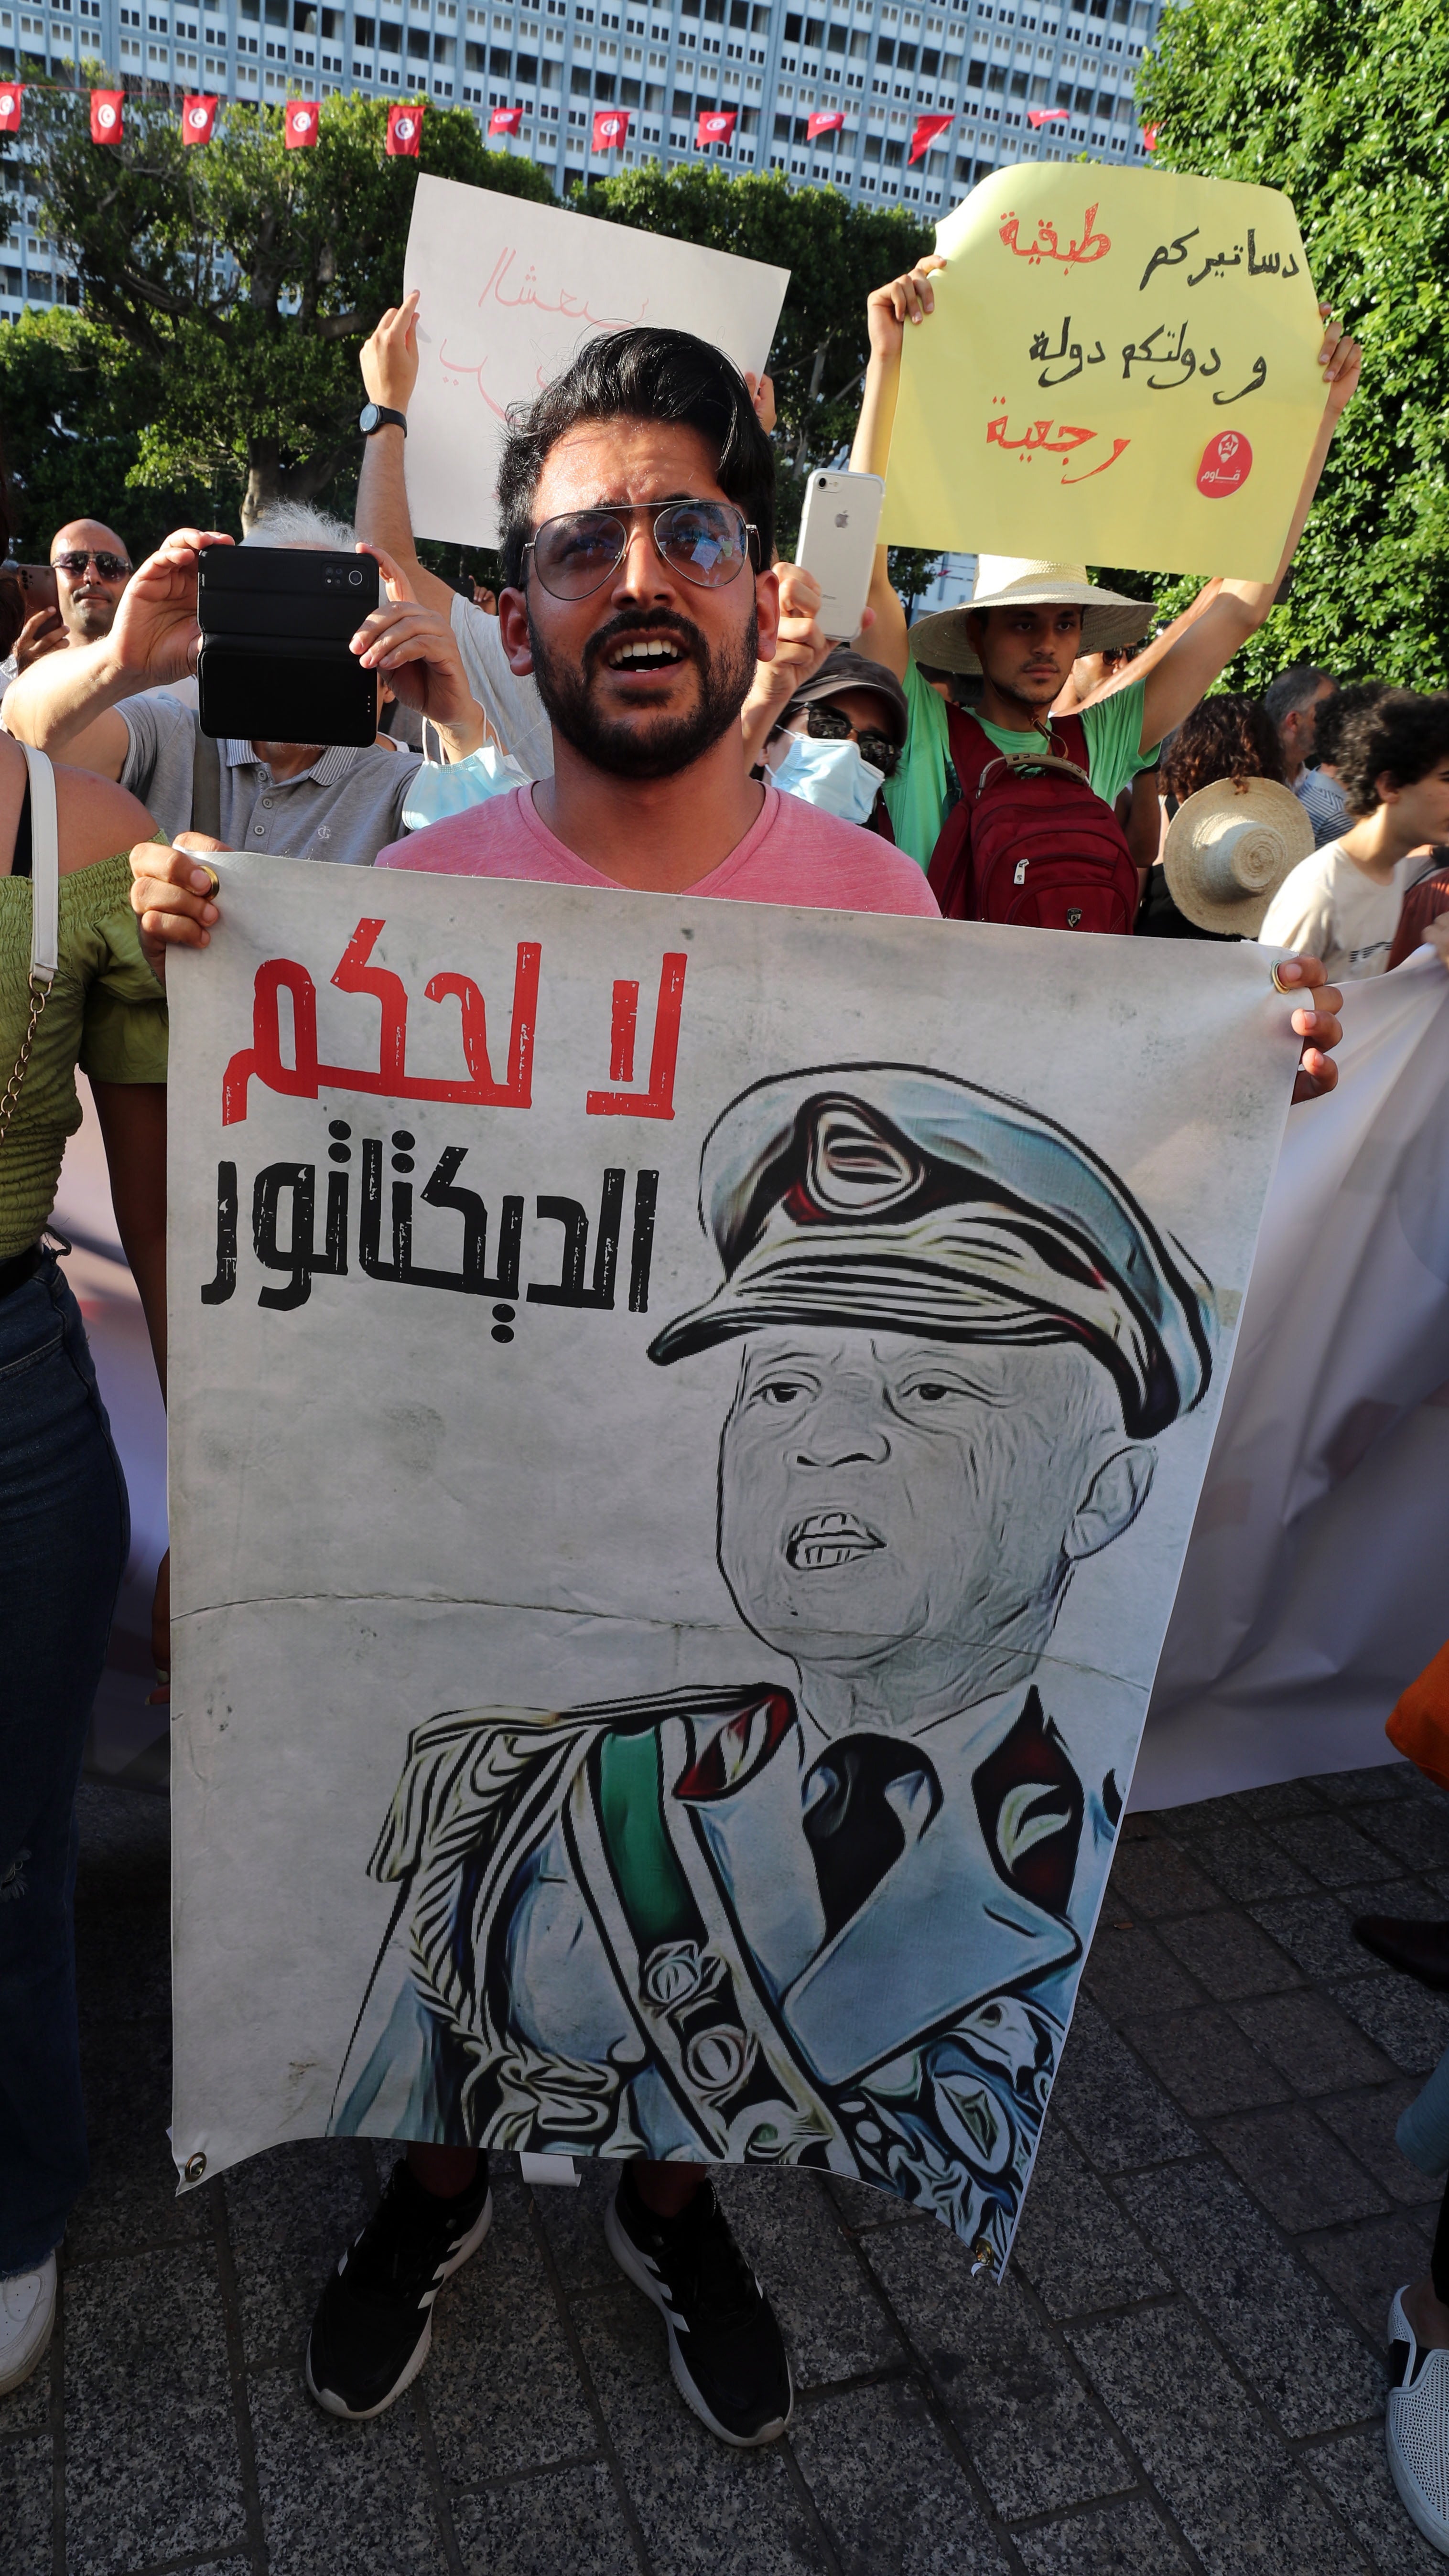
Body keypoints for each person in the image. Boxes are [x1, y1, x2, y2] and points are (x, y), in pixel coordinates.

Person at [131, 323, 1345, 2454]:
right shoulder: (406, 904)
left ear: (753, 583)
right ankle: (439, 2183)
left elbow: (1075, 1129)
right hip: (496, 1559)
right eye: (580, 538)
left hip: (734, 1617)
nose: (634, 576)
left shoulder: (877, 902)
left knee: (742, 1915)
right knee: (490, 1920)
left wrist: (1248, 1081)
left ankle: (674, 2196)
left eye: (686, 525)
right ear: (517, 610)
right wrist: (210, 958)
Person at [847, 258, 1362, 882]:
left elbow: (1243, 609)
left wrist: (1321, 418)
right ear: (975, 635)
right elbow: (867, 576)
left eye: (1066, 622)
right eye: (1022, 623)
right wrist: (887, 360)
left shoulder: (1101, 741)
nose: (1047, 642)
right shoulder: (919, 726)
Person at [0, 637, 167, 2395]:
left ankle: (14, 2197)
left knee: (11, 1847)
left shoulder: (91, 842)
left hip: (13, 1402)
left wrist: (233, 1490)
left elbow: (166, 1210)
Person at [3, 504, 489, 867]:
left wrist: (460, 725)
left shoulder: (401, 786)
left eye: (326, 625)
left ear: (383, 668)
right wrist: (121, 661)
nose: (295, 649)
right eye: (272, 618)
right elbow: (28, 731)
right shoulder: (174, 736)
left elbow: (497, 874)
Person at [1258, 688, 1449, 979]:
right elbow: (1264, 1006)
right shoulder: (1319, 893)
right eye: (1446, 779)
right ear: (1391, 786)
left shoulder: (1393, 869)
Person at [1140, 696, 1291, 941]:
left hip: (1160, 957)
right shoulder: (1272, 823)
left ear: (1192, 743)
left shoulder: (1160, 806)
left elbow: (1132, 898)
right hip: (1236, 965)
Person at [761, 644, 908, 836]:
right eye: (828, 726)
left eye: (874, 748)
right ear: (764, 744)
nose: (848, 749)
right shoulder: (711, 840)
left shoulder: (889, 866)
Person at [1263, 664, 1348, 847]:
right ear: (1294, 721)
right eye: (1326, 713)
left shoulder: (1308, 780)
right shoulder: (1249, 781)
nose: (1337, 721)